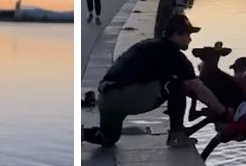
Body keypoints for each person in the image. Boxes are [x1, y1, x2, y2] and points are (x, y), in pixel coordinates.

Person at [82, 13, 233, 148]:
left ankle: (83, 134)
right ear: (176, 34)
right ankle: (177, 135)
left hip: (106, 97)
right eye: (188, 34)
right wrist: (223, 111)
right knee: (178, 83)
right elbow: (199, 89)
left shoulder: (148, 45)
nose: (190, 38)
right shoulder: (175, 56)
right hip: (126, 97)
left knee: (109, 138)